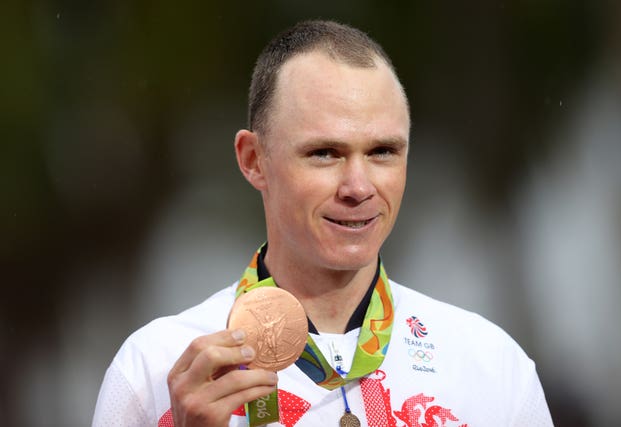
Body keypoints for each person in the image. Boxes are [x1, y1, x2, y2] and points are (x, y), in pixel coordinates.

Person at [93, 20, 553, 427]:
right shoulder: (155, 368)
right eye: (325, 153)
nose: (358, 186)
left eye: (382, 152)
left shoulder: (492, 367)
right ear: (254, 160)